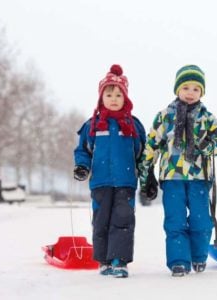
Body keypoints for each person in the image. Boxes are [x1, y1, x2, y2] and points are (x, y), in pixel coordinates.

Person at [139, 64, 217, 277]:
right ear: (177, 89)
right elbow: (151, 146)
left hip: (199, 178)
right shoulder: (164, 117)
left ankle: (198, 256)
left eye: (196, 89)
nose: (190, 93)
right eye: (186, 87)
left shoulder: (207, 118)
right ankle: (179, 261)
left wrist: (208, 145)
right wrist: (146, 173)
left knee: (201, 221)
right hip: (172, 178)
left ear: (202, 92)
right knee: (175, 220)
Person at [73, 64, 148, 278]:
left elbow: (142, 154)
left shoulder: (133, 126)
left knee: (122, 220)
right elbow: (83, 151)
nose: (113, 98)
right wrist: (81, 166)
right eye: (109, 94)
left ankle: (119, 260)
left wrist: (146, 177)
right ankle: (104, 260)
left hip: (125, 182)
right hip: (101, 182)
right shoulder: (93, 125)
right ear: (101, 98)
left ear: (125, 98)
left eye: (118, 94)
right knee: (101, 221)